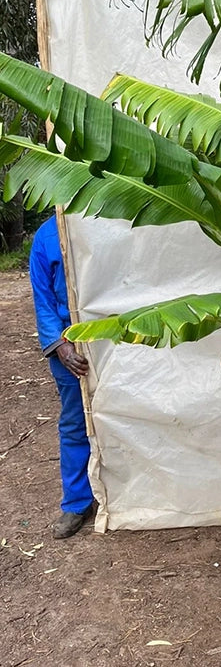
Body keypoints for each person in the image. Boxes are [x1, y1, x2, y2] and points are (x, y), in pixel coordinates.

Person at [29, 214, 94, 539]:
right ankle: (77, 502)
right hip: (70, 345)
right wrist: (61, 346)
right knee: (75, 422)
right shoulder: (45, 236)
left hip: (113, 337)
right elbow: (43, 300)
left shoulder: (107, 222)